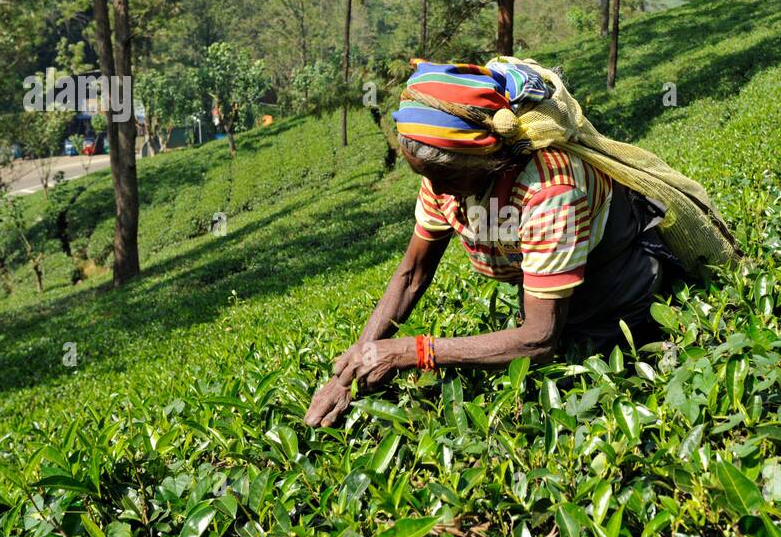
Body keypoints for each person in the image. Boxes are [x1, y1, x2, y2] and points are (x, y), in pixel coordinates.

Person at [303, 59, 718, 429]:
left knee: (592, 377)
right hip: (547, 276)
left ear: (486, 162)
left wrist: (410, 352)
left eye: (446, 180)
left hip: (612, 280)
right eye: (426, 177)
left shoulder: (549, 190)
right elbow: (412, 275)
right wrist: (354, 367)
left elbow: (538, 338)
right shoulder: (443, 179)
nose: (438, 192)